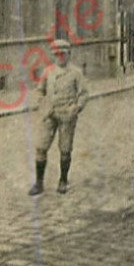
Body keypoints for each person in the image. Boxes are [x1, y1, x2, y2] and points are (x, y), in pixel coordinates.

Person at [28, 39, 89, 196]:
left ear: (69, 54)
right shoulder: (48, 71)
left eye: (63, 54)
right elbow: (40, 90)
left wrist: (76, 108)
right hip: (49, 113)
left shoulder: (76, 73)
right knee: (41, 147)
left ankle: (63, 180)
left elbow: (83, 94)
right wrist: (41, 103)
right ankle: (39, 183)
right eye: (57, 54)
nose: (60, 57)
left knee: (65, 148)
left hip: (67, 115)